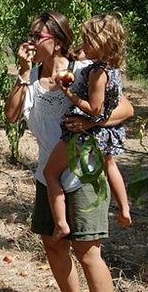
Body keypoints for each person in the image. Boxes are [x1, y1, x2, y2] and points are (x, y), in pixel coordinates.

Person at [4, 12, 134, 292]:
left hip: (83, 170)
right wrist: (20, 74)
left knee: (87, 250)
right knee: (53, 242)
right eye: (31, 32)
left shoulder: (80, 70)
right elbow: (11, 115)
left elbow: (126, 109)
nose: (32, 39)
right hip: (48, 170)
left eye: (40, 34)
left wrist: (93, 124)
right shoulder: (31, 76)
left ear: (58, 40)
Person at [44, 14, 132, 240]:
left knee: (50, 172)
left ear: (100, 43)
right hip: (105, 132)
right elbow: (81, 54)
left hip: (82, 132)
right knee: (110, 164)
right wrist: (74, 54)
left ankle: (61, 223)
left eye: (87, 40)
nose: (82, 45)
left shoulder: (96, 73)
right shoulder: (110, 67)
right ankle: (124, 208)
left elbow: (94, 109)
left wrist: (68, 94)